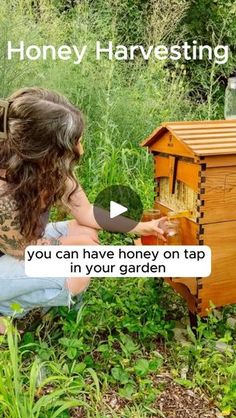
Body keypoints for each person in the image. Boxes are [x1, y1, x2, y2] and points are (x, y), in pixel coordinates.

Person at [0, 87, 166, 334]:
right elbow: (26, 250)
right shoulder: (5, 191)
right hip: (16, 251)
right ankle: (6, 309)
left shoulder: (46, 168)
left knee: (84, 232)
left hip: (22, 246)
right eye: (74, 142)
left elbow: (87, 212)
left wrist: (140, 227)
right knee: (79, 270)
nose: (81, 149)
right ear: (47, 151)